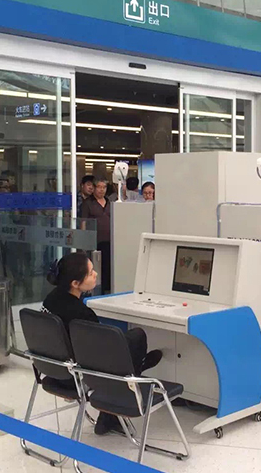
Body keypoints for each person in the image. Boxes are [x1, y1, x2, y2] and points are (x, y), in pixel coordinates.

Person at [42, 252, 163, 434]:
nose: (96, 274)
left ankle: (136, 369)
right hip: (75, 376)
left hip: (52, 369)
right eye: (91, 273)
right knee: (136, 337)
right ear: (75, 283)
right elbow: (97, 356)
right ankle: (134, 374)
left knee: (122, 345)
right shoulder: (81, 314)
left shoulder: (50, 300)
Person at [79, 179, 112, 293]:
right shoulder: (88, 203)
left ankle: (108, 290)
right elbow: (83, 222)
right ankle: (97, 290)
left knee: (109, 268)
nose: (102, 189)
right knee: (97, 269)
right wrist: (83, 241)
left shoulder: (110, 202)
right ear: (94, 188)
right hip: (95, 242)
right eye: (99, 187)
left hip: (110, 241)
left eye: (104, 187)